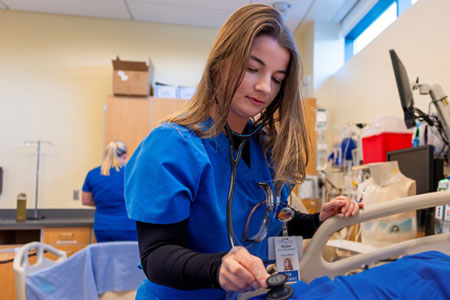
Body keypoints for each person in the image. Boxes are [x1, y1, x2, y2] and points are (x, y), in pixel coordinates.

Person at [125, 4, 362, 299]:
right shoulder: (170, 146)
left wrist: (318, 221)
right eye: (252, 68)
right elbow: (156, 255)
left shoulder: (267, 150)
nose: (264, 87)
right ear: (220, 61)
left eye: (277, 79)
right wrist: (217, 268)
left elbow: (274, 221)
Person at [82, 140, 137, 242]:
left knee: (105, 257)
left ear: (105, 155)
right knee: (128, 258)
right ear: (125, 156)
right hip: (128, 227)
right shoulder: (132, 173)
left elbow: (86, 200)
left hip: (102, 228)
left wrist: (104, 202)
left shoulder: (93, 174)